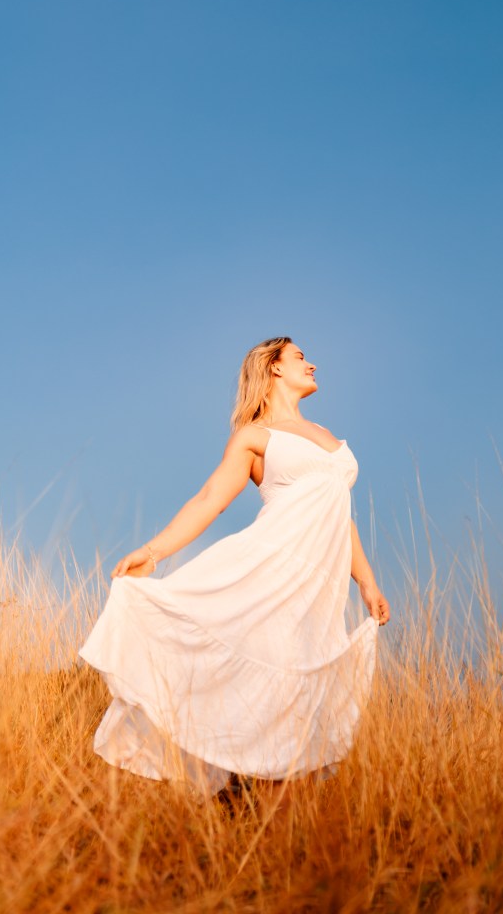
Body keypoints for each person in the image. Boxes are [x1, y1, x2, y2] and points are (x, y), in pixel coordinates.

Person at [79, 336, 390, 797]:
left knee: (297, 686)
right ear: (273, 369)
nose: (314, 364)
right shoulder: (255, 437)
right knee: (261, 673)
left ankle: (266, 815)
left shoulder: (327, 436)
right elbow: (210, 500)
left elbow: (337, 515)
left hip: (317, 585)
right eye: (301, 357)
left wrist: (366, 582)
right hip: (267, 568)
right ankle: (237, 797)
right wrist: (154, 551)